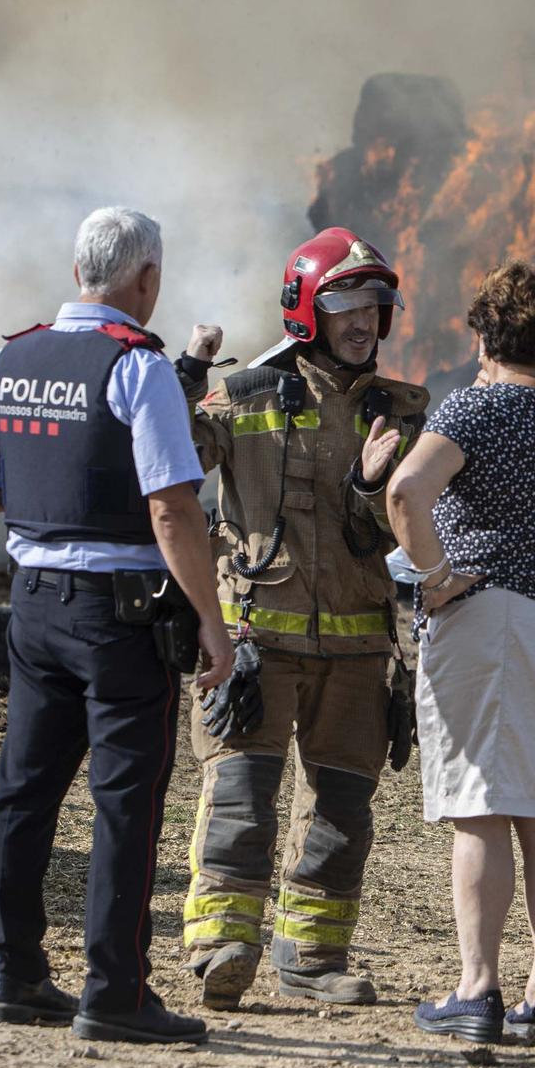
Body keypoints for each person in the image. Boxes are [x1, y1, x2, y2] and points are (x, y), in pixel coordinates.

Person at [0, 206, 233, 1046]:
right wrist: (212, 622)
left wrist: (42, 509)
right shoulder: (136, 366)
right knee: (126, 803)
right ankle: (115, 992)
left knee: (22, 791)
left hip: (33, 602)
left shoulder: (10, 356)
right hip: (118, 615)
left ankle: (16, 973)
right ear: (145, 280)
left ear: (77, 274)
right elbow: (173, 509)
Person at [173, 227, 428, 1010]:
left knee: (342, 813)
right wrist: (186, 372)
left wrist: (369, 485)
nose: (362, 318)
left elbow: (401, 531)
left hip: (356, 650)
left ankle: (313, 958)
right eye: (345, 302)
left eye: (373, 304)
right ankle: (221, 945)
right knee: (242, 800)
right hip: (255, 644)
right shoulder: (245, 394)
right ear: (305, 310)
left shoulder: (402, 411)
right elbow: (170, 455)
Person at [385, 261, 535, 1045]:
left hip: (488, 621)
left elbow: (407, 491)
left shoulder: (474, 410)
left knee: (480, 809)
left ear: (484, 333)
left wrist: (435, 576)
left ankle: (476, 988)